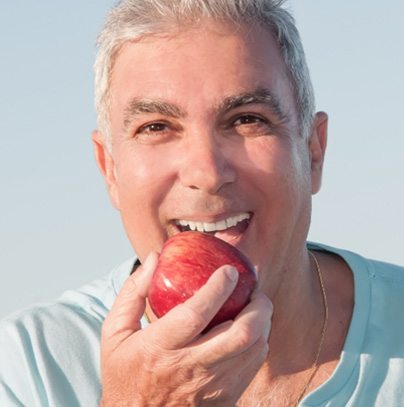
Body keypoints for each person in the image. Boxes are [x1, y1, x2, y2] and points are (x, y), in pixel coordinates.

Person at [1, 0, 404, 405]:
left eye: (248, 119)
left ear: (314, 151)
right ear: (110, 171)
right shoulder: (27, 366)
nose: (206, 172)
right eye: (156, 127)